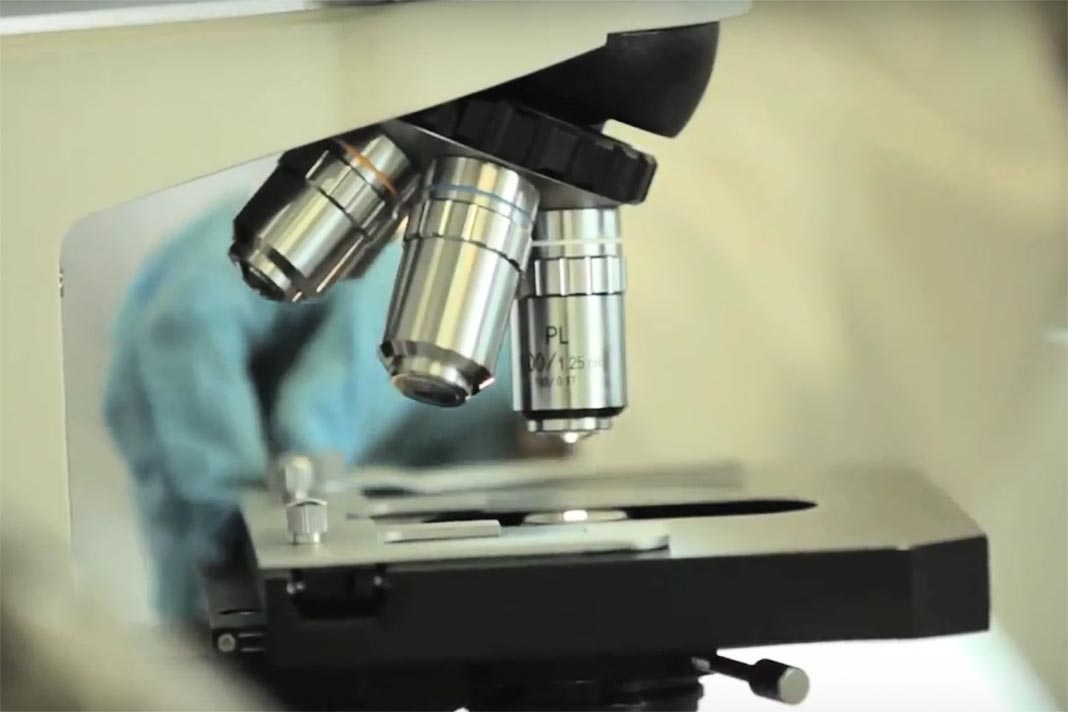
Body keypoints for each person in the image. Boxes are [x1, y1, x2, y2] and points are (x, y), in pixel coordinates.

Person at [102, 197, 541, 620]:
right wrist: (253, 507)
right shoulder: (456, 341)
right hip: (200, 329)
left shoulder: (487, 431)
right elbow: (309, 426)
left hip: (242, 362)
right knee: (219, 576)